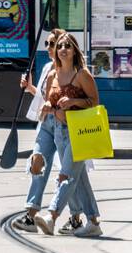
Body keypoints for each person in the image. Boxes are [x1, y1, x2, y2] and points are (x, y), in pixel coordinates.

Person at [26, 32, 103, 237]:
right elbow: (50, 99)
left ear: (74, 50)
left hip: (79, 132)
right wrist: (50, 105)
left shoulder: (82, 74)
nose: (62, 49)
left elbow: (94, 101)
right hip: (59, 131)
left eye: (67, 46)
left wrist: (73, 101)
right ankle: (93, 221)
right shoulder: (53, 74)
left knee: (65, 175)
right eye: (60, 46)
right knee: (79, 179)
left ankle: (52, 216)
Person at [15, 31, 84, 234]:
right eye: (48, 43)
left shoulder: (75, 71)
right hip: (46, 123)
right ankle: (31, 214)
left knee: (68, 173)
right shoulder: (47, 68)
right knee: (37, 163)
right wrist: (30, 88)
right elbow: (45, 96)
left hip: (64, 124)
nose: (49, 47)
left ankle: (76, 217)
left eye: (53, 43)